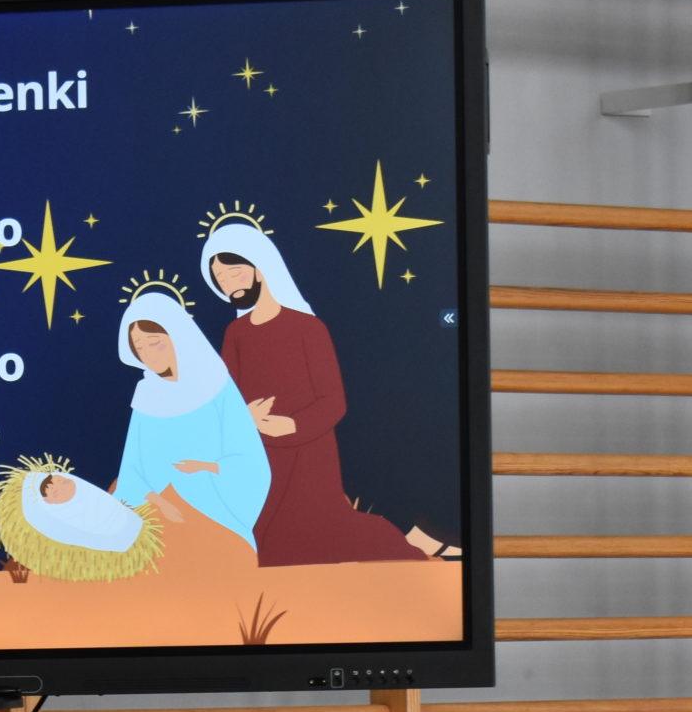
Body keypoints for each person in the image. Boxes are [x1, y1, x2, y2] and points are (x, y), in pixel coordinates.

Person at [201, 221, 452, 563]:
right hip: (259, 454)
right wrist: (245, 417)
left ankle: (410, 552)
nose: (228, 284)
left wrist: (291, 426)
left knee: (312, 537)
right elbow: (226, 397)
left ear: (259, 267)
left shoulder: (308, 328)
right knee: (260, 544)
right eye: (220, 279)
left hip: (309, 456)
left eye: (234, 273)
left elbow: (333, 402)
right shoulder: (236, 334)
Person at [110, 286, 271, 552]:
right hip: (156, 516)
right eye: (139, 348)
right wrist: (159, 503)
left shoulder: (216, 384)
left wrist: (206, 467)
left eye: (155, 343)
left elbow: (249, 459)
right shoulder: (146, 396)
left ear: (177, 336)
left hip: (217, 511)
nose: (148, 354)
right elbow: (132, 470)